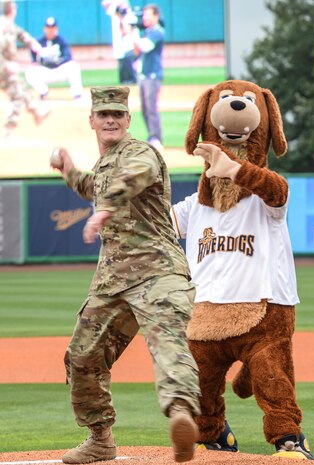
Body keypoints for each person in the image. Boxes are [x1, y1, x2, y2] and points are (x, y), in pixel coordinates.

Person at [52, 86, 201, 464]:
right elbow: (94, 185)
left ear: (128, 121)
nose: (111, 120)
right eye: (104, 114)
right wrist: (68, 169)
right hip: (113, 282)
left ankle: (181, 415)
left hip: (159, 273)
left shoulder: (140, 153)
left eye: (118, 114)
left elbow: (134, 177)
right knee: (82, 356)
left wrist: (104, 211)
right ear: (92, 121)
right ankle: (100, 438)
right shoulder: (105, 164)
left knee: (168, 343)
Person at [0, 1, 50, 138]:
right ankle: (8, 130)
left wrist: (35, 45)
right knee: (17, 96)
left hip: (5, 69)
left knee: (20, 89)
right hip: (3, 69)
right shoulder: (2, 27)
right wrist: (5, 65)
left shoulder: (9, 25)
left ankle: (37, 114)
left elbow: (22, 35)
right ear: (12, 10)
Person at [25, 16, 84, 100]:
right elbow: (33, 55)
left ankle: (77, 93)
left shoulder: (62, 41)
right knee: (29, 72)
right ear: (44, 28)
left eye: (52, 28)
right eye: (48, 28)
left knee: (74, 66)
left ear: (56, 28)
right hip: (46, 71)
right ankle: (43, 91)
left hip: (59, 71)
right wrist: (36, 61)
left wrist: (59, 61)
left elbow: (68, 57)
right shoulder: (39, 42)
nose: (50, 30)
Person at [134, 4, 165, 150]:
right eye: (144, 15)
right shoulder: (147, 31)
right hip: (144, 75)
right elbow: (136, 51)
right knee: (145, 108)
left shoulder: (157, 32)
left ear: (156, 16)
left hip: (153, 75)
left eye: (148, 15)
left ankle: (156, 138)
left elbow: (145, 47)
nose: (145, 17)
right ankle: (151, 136)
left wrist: (132, 32)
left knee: (151, 108)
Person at [101, 0, 140, 85]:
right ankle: (125, 80)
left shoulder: (130, 15)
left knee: (131, 62)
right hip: (120, 43)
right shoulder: (115, 15)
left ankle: (134, 80)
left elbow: (127, 30)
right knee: (122, 62)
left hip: (131, 43)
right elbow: (104, 3)